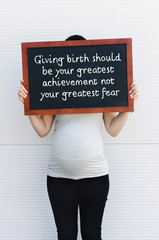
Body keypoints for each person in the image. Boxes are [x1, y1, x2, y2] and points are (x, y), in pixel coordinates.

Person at [17, 35, 140, 240]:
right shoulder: (54, 87)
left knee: (92, 235)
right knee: (65, 236)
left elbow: (112, 129)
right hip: (59, 179)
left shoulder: (101, 85)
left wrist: (129, 106)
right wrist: (27, 105)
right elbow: (42, 130)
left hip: (95, 177)